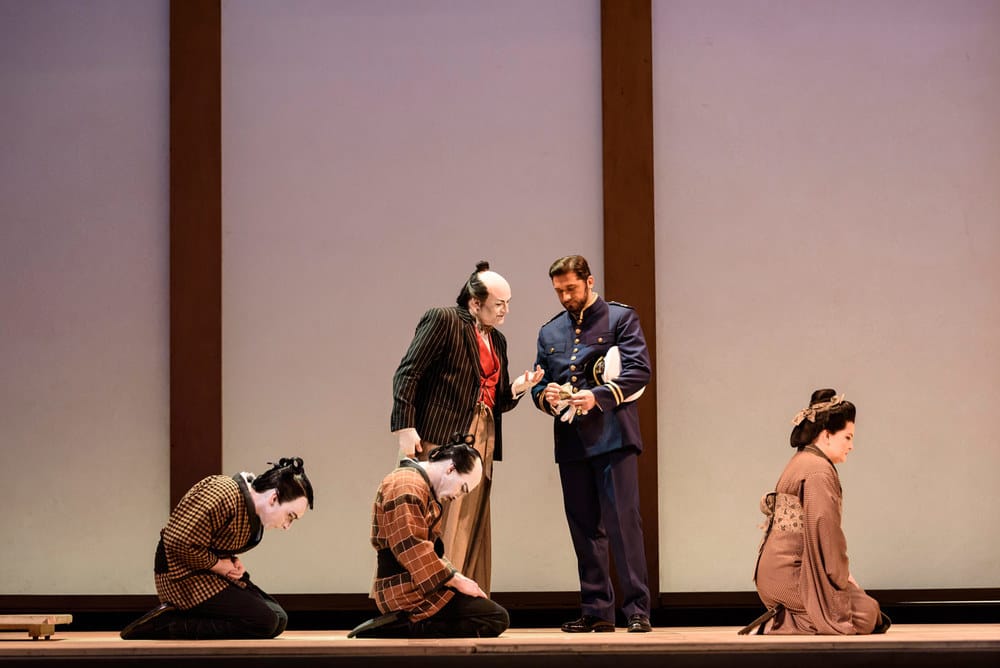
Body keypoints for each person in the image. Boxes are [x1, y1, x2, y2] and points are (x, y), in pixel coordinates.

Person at [391, 260, 543, 595]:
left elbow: (496, 398)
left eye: (508, 304)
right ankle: (431, 594)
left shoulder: (497, 340)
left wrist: (517, 386)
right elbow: (408, 372)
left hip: (483, 433)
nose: (505, 311)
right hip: (444, 434)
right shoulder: (444, 320)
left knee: (472, 518)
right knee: (441, 515)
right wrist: (405, 426)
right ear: (475, 303)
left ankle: (468, 593)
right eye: (498, 304)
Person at [531, 255, 653, 633]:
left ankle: (636, 610)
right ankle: (597, 609)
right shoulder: (549, 332)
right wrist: (546, 396)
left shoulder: (620, 319)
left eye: (571, 288)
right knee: (584, 529)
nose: (566, 297)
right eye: (559, 291)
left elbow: (638, 370)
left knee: (623, 525)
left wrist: (597, 396)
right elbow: (538, 380)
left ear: (589, 281)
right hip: (571, 442)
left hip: (613, 438)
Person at [120, 458, 315, 640]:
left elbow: (215, 541)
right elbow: (177, 541)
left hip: (206, 571)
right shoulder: (223, 491)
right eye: (290, 516)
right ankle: (169, 624)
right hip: (179, 574)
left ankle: (184, 618)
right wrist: (218, 565)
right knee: (265, 621)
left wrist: (231, 562)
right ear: (273, 498)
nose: (287, 526)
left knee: (278, 619)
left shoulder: (252, 515)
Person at [750, 390, 890, 635]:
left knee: (860, 605)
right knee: (867, 613)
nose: (851, 446)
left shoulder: (802, 460)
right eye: (847, 437)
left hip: (772, 573)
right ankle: (788, 621)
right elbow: (825, 531)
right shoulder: (818, 471)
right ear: (826, 436)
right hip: (791, 576)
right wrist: (843, 578)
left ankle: (789, 617)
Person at [353, 442, 510, 638]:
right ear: (451, 468)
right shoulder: (406, 484)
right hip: (404, 589)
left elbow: (430, 550)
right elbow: (410, 545)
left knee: (492, 614)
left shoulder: (419, 485)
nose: (457, 496)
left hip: (416, 581)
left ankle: (410, 623)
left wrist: (457, 578)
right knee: (494, 618)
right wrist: (456, 580)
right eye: (462, 488)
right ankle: (403, 625)